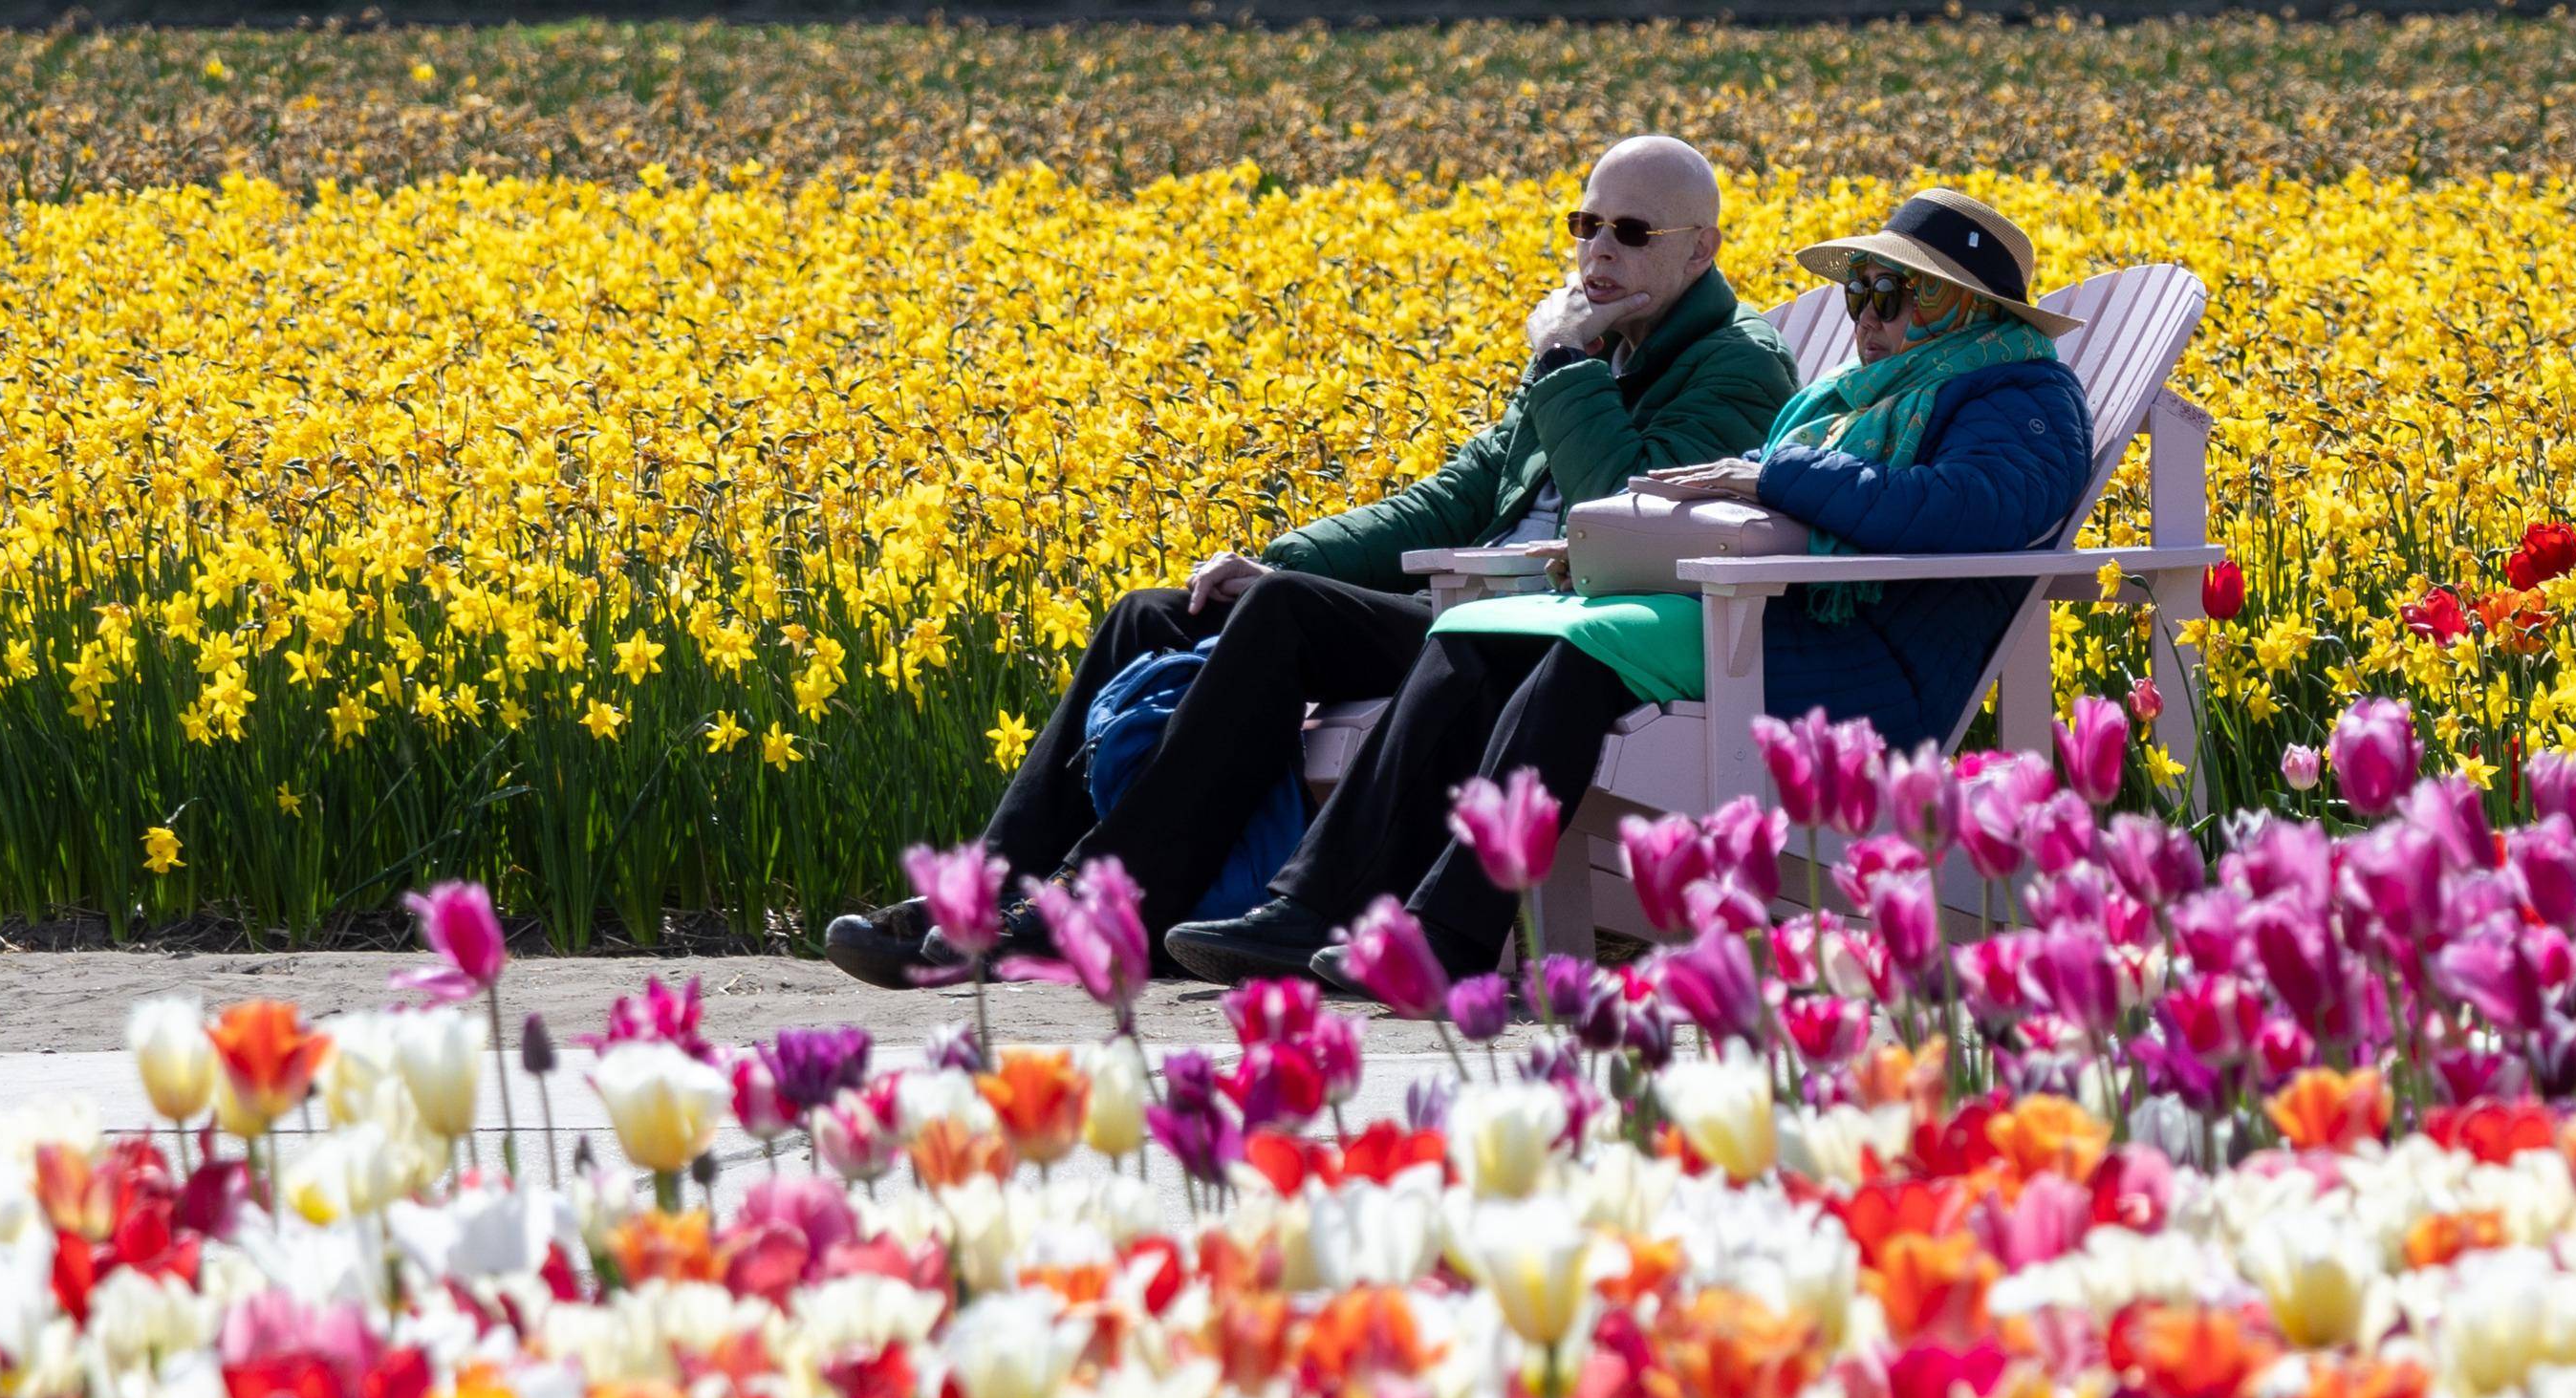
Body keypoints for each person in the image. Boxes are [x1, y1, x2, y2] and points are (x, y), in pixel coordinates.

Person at [821, 136, 1794, 989]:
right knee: (1151, 615)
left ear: (1700, 249)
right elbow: (1450, 497)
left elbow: (1619, 507)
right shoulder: (1594, 344)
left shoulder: (1731, 363)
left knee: (1285, 614)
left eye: (1630, 232)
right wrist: (1277, 553)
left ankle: (1106, 903)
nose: (1595, 253)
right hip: (1469, 600)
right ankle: (981, 897)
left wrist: (1561, 371)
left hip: (1530, 625)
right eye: (1583, 226)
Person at [1165, 186, 2095, 994]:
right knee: (1483, 632)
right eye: (1861, 289)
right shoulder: (1871, 395)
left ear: (1971, 311)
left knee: (1574, 653)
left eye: (1900, 294)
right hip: (1772, 619)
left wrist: (1767, 479)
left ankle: (1443, 933)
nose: (1868, 316)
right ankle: (1319, 910)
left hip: (1859, 661)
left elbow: (1964, 509)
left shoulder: (2019, 397)